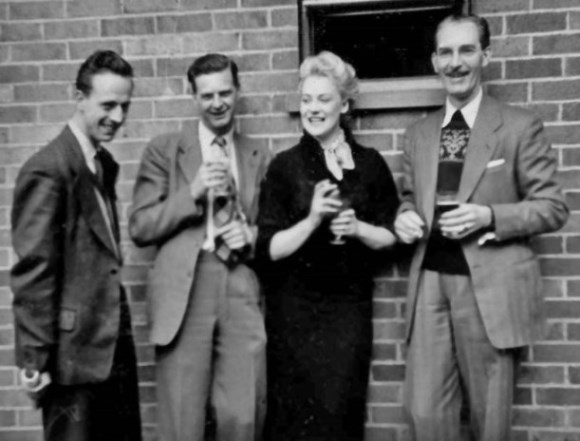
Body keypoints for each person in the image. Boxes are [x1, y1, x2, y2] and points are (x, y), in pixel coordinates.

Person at [394, 13, 569, 441]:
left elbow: (552, 207)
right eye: (446, 52)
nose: (455, 62)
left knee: (490, 417)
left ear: (485, 56)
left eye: (466, 50)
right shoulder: (418, 134)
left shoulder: (519, 126)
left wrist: (489, 216)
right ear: (434, 61)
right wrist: (403, 215)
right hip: (430, 280)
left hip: (488, 284)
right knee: (425, 413)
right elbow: (409, 197)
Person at [255, 51, 399, 441]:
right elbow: (268, 250)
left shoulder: (369, 164)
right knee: (293, 420)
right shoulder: (284, 166)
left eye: (323, 99)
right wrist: (312, 219)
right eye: (306, 100)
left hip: (348, 311)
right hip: (294, 314)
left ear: (344, 105)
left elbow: (393, 238)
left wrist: (359, 229)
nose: (313, 108)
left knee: (340, 416)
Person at [129, 53, 271, 441]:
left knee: (243, 414)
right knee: (182, 418)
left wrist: (252, 235)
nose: (217, 103)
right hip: (186, 287)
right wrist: (192, 192)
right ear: (192, 95)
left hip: (240, 281)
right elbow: (140, 226)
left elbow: (270, 229)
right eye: (207, 95)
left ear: (238, 91)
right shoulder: (165, 150)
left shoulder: (258, 154)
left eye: (225, 93)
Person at [10, 50, 141, 441]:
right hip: (70, 357)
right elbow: (34, 271)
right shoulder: (49, 168)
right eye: (108, 105)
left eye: (124, 106)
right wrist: (34, 360)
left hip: (110, 350)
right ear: (79, 97)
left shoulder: (102, 164)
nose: (117, 117)